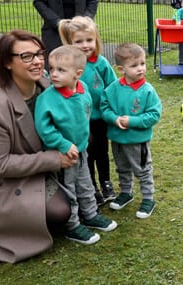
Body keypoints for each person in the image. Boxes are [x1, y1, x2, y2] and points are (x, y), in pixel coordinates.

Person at [0, 30, 77, 264]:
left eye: (40, 53)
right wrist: (54, 159)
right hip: (4, 181)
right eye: (27, 56)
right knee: (61, 211)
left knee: (78, 192)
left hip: (35, 166)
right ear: (7, 63)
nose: (38, 61)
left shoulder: (45, 84)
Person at [34, 45, 118, 244]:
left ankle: (90, 214)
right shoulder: (47, 99)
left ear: (78, 74)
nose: (53, 74)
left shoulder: (83, 89)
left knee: (86, 183)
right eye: (52, 68)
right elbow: (44, 128)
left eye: (61, 70)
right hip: (63, 155)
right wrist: (62, 144)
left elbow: (84, 114)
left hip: (82, 150)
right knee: (68, 189)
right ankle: (72, 225)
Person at [59, 16, 117, 205]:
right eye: (78, 41)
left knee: (101, 151)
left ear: (96, 40)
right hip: (80, 121)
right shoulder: (69, 67)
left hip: (100, 119)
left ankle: (106, 182)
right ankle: (92, 188)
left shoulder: (101, 63)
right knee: (86, 155)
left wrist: (112, 110)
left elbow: (113, 87)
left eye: (89, 40)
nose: (85, 45)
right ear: (69, 43)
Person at [101, 43, 162, 219]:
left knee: (143, 169)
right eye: (134, 66)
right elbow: (104, 107)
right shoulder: (112, 88)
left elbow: (154, 115)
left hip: (138, 141)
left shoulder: (148, 91)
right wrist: (114, 119)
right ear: (121, 69)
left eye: (142, 63)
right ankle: (126, 193)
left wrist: (132, 121)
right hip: (117, 139)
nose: (140, 69)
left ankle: (148, 198)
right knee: (122, 168)